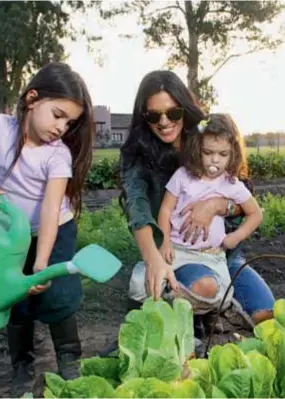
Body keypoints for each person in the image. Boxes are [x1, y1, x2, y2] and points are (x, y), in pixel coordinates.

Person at [0, 62, 94, 396]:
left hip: (53, 232)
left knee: (57, 297)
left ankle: (70, 363)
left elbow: (52, 211)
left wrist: (42, 263)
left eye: (69, 122)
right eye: (57, 114)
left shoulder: (57, 156)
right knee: (14, 298)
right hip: (11, 235)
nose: (62, 127)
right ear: (31, 99)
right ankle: (22, 366)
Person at [109, 70, 275, 350]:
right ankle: (164, 322)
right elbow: (138, 210)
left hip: (222, 254)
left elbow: (245, 200)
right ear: (143, 117)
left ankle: (209, 313)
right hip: (176, 248)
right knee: (197, 287)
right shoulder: (138, 156)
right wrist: (155, 258)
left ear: (184, 109)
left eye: (172, 113)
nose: (164, 122)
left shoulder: (209, 139)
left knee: (267, 318)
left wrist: (216, 205)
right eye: (153, 116)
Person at [150, 113, 264, 316]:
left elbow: (255, 213)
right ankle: (176, 307)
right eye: (208, 152)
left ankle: (202, 313)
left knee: (217, 294)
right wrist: (165, 242)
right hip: (178, 251)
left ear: (233, 154)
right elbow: (166, 209)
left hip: (211, 255)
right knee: (149, 285)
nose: (214, 160)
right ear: (197, 149)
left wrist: (235, 237)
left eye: (223, 154)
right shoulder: (183, 176)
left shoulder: (231, 184)